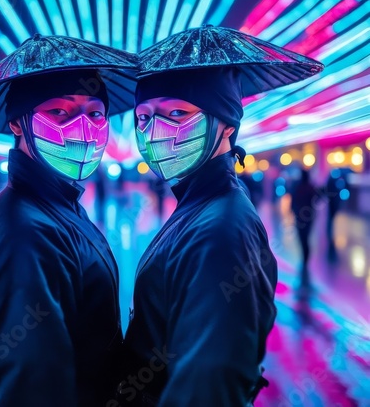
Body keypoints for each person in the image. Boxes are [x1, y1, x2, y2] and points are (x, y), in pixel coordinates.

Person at [121, 25, 322, 406]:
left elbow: (208, 384)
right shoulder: (200, 204)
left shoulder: (221, 231)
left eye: (177, 112)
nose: (155, 131)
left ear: (226, 124)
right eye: (144, 118)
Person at [0, 35, 137, 406]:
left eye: (95, 113)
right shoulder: (23, 232)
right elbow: (32, 384)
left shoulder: (56, 205)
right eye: (59, 112)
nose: (82, 128)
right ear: (18, 124)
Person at [291, 169, 319, 283]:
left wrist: (293, 211)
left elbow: (293, 202)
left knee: (302, 237)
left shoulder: (297, 187)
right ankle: (306, 257)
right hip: (309, 216)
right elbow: (317, 199)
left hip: (299, 216)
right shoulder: (311, 187)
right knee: (306, 236)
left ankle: (304, 257)